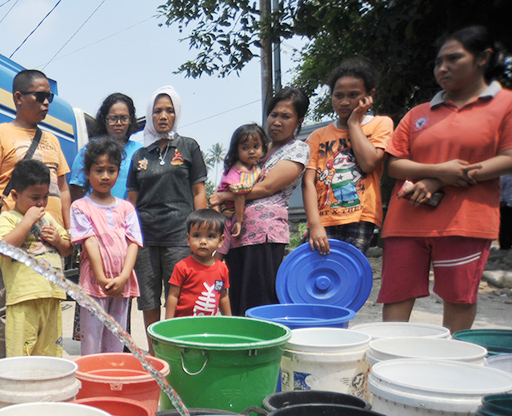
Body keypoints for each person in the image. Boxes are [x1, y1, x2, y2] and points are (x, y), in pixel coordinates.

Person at [379, 26, 512, 333]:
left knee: (459, 297)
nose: (442, 68)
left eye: (453, 59)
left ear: (483, 58)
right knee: (397, 294)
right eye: (438, 62)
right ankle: (390, 360)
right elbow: (395, 165)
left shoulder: (504, 105)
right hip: (405, 220)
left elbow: (507, 158)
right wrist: (438, 172)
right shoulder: (418, 114)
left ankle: (452, 364)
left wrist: (440, 182)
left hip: (465, 221)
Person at [0, 68, 71, 359]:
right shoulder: (0, 134)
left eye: (49, 98)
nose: (46, 104)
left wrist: (68, 233)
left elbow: (64, 188)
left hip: (51, 240)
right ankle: (9, 367)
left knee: (48, 301)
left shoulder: (52, 140)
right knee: (12, 305)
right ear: (19, 97)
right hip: (17, 238)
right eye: (40, 96)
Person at [212, 88, 311, 316]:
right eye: (274, 115)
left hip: (265, 235)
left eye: (285, 116)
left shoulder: (298, 149)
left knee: (260, 299)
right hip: (239, 234)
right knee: (237, 297)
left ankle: (260, 348)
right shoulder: (259, 149)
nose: (277, 122)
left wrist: (225, 196)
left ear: (299, 120)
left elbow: (267, 187)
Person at [127, 86, 207, 350]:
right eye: (157, 110)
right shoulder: (140, 155)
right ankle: (154, 351)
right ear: (150, 115)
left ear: (177, 114)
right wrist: (126, 234)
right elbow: (132, 199)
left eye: (169, 110)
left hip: (179, 236)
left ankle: (180, 347)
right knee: (149, 298)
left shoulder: (189, 147)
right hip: (145, 237)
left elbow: (198, 191)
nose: (163, 116)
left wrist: (201, 233)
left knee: (182, 296)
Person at [303, 58, 394, 256]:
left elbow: (369, 163)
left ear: (369, 96)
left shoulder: (380, 124)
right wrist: (314, 223)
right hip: (322, 220)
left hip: (360, 217)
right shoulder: (317, 136)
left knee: (348, 277)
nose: (344, 102)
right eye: (338, 96)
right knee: (313, 277)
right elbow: (308, 183)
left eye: (353, 95)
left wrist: (354, 123)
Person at [69, 138, 142, 355]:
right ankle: (91, 385)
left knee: (116, 341)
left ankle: (112, 381)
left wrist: (124, 277)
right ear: (87, 173)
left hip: (122, 283)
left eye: (111, 170)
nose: (105, 176)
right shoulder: (80, 206)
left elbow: (134, 243)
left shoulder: (127, 208)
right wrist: (100, 277)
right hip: (94, 282)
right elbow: (89, 241)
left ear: (119, 172)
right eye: (99, 170)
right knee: (91, 341)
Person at [0, 159, 72, 357]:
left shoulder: (48, 218)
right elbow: (4, 249)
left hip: (52, 297)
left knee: (50, 355)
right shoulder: (8, 219)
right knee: (22, 357)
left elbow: (67, 249)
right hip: (23, 300)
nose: (41, 203)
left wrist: (57, 241)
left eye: (45, 197)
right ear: (15, 195)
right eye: (34, 197)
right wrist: (27, 221)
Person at [69, 93, 141, 201]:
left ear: (130, 120)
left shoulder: (139, 151)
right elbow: (76, 188)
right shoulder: (89, 149)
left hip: (128, 216)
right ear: (104, 119)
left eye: (124, 118)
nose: (119, 123)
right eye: (113, 118)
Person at [165, 209, 231, 318]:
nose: (203, 242)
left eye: (211, 236)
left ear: (220, 241)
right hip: (183, 325)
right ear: (188, 239)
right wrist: (167, 323)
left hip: (209, 326)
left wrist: (230, 321)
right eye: (196, 236)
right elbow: (173, 296)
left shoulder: (222, 269)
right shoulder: (182, 267)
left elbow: (223, 296)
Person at [217, 123, 269, 243]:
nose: (251, 151)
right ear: (237, 150)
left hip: (232, 213)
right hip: (226, 215)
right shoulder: (242, 170)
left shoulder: (254, 165)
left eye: (256, 146)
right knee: (222, 247)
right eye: (245, 148)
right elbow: (239, 196)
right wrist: (239, 221)